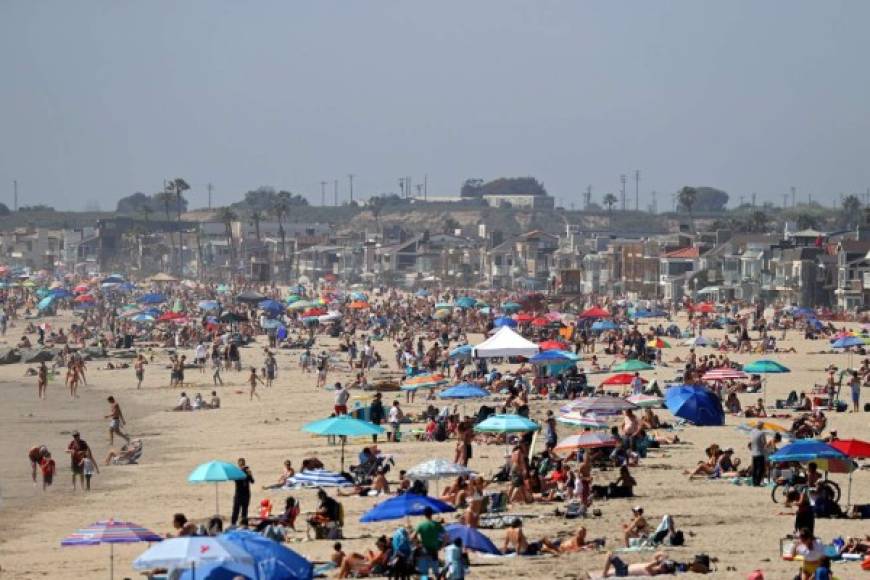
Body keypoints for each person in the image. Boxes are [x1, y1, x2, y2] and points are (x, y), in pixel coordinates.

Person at [414, 506, 445, 577]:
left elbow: (412, 537)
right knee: (436, 572)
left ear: (424, 514)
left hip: (424, 551)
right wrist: (442, 546)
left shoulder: (421, 525)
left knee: (424, 574)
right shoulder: (437, 524)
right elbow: (446, 536)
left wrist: (417, 545)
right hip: (434, 551)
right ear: (432, 514)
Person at [595, 551, 677, 577]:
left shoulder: (654, 572)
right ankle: (605, 574)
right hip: (625, 568)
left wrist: (658, 561)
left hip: (624, 572)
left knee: (610, 555)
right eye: (664, 564)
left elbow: (647, 567)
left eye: (665, 566)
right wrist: (664, 555)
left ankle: (604, 575)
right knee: (610, 569)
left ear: (664, 571)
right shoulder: (656, 566)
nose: (663, 565)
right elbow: (656, 555)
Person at [231, 458, 255, 526]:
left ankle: (244, 525)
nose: (242, 466)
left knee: (245, 511)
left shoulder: (247, 472)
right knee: (236, 511)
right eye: (241, 464)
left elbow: (252, 481)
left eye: (243, 464)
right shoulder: (236, 472)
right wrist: (240, 472)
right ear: (238, 465)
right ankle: (233, 524)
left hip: (246, 494)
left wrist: (249, 474)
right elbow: (234, 480)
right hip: (238, 495)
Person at [749, 421, 768, 486]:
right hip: (760, 453)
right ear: (761, 426)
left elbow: (751, 442)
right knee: (761, 469)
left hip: (753, 453)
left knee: (755, 468)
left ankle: (754, 482)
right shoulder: (762, 433)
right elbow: (764, 444)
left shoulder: (752, 432)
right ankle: (757, 483)